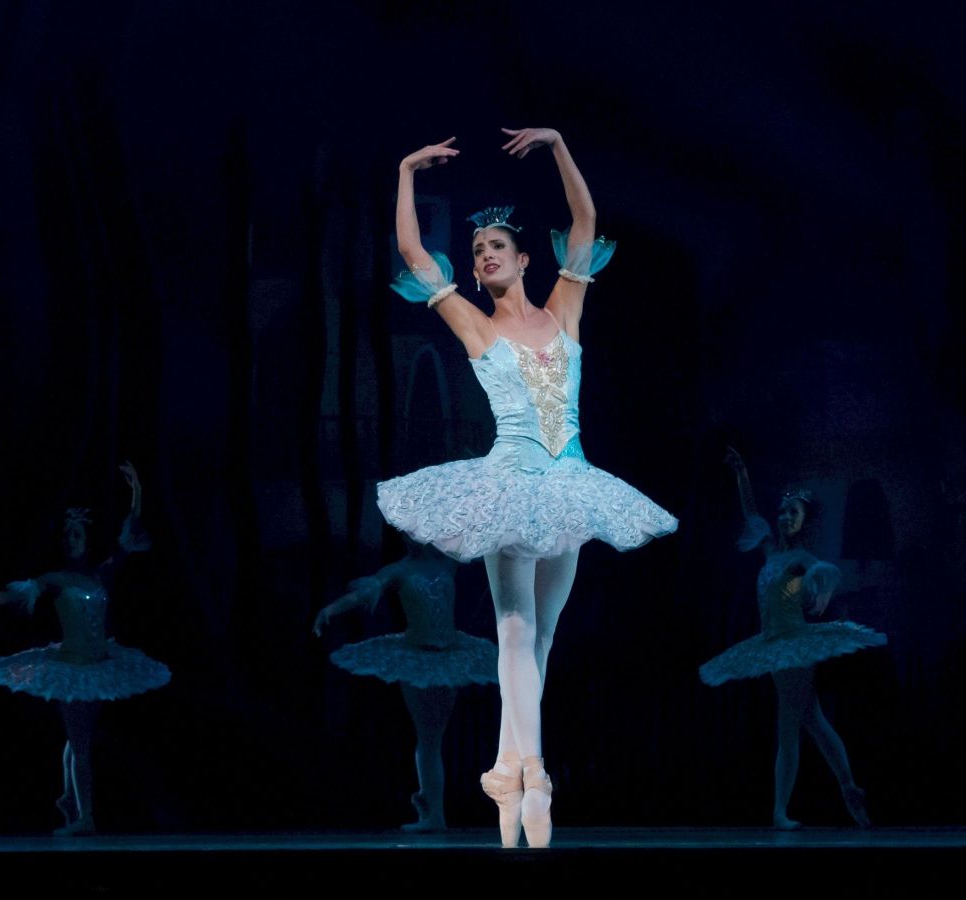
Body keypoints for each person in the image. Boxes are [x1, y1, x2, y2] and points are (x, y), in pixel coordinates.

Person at [378, 128, 678, 847]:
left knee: (542, 636)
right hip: (508, 484)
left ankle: (505, 768)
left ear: (523, 258)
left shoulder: (565, 307)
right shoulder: (476, 325)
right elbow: (417, 255)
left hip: (571, 483)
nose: (484, 257)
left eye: (495, 249)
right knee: (513, 628)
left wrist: (560, 145)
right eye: (478, 253)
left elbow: (586, 224)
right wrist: (405, 171)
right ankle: (534, 776)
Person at [0, 463, 166, 835]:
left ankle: (67, 797)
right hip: (71, 668)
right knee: (79, 743)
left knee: (80, 738)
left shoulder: (100, 573)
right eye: (69, 534)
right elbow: (12, 594)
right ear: (64, 542)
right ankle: (86, 816)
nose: (74, 539)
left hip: (100, 665)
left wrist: (138, 491)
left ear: (87, 540)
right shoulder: (56, 580)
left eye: (79, 533)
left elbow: (131, 532)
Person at [700, 446, 884, 830]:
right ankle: (849, 787)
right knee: (814, 721)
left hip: (794, 647)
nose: (784, 518)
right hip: (774, 644)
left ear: (803, 522)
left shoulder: (801, 559)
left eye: (793, 514)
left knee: (789, 725)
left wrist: (822, 588)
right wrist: (741, 473)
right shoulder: (770, 551)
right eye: (783, 512)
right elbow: (751, 512)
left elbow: (823, 570)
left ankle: (780, 811)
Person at [313, 540, 496, 831]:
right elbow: (368, 589)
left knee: (435, 736)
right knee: (428, 737)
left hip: (449, 655)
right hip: (416, 658)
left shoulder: (448, 562)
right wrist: (332, 609)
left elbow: (481, 547)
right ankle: (432, 812)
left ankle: (431, 808)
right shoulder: (399, 570)